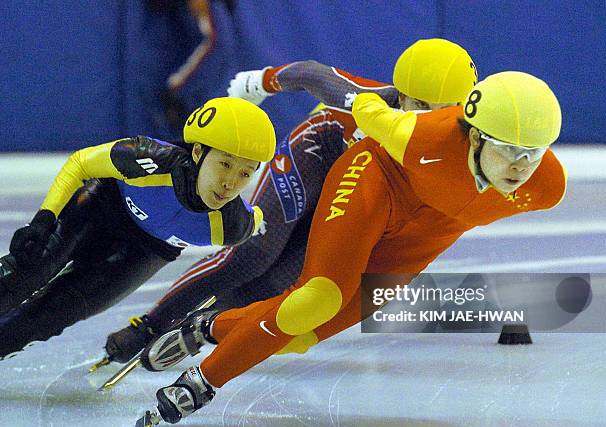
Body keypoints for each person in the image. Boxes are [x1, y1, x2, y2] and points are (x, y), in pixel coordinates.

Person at [139, 70, 566, 426]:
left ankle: (207, 328)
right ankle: (201, 384)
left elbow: (521, 170)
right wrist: (271, 81)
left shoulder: (546, 187)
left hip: (422, 237)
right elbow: (362, 104)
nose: (521, 166)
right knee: (317, 299)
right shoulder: (422, 138)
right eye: (509, 149)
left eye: (534, 152)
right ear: (474, 137)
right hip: (376, 182)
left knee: (297, 338)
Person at [101, 38, 479, 364]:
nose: (427, 118)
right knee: (255, 253)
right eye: (418, 104)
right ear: (399, 93)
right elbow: (312, 73)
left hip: (354, 192)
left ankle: (198, 329)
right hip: (319, 152)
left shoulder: (469, 145)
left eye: (442, 110)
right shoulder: (369, 101)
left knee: (279, 284)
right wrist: (259, 83)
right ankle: (149, 324)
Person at [0, 97, 275, 359]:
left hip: (145, 252)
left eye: (245, 173)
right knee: (31, 266)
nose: (230, 183)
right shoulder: (148, 159)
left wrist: (151, 327)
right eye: (225, 164)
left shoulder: (233, 226)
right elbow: (81, 163)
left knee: (52, 315)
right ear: (198, 152)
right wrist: (45, 218)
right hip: (103, 207)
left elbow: (266, 220)